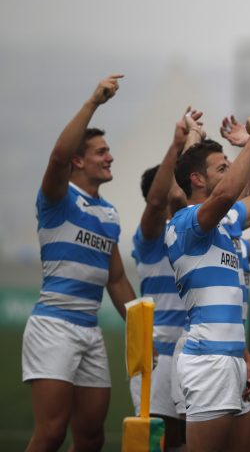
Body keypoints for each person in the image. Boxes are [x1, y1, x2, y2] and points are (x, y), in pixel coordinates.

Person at [22, 75, 137, 452]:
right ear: (78, 161)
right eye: (101, 152)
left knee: (91, 437)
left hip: (89, 331)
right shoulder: (57, 198)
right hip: (54, 326)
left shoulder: (109, 214)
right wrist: (94, 102)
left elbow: (117, 279)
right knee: (52, 433)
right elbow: (56, 157)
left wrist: (141, 330)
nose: (111, 157)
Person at [165, 115, 250, 452]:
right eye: (221, 168)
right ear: (197, 180)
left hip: (232, 359)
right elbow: (228, 193)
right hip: (207, 362)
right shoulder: (186, 222)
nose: (230, 173)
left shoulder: (227, 223)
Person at [130, 107, 204, 450]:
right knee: (157, 440)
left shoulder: (193, 234)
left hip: (193, 349)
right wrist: (179, 146)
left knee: (190, 440)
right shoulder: (148, 238)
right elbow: (162, 200)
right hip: (157, 354)